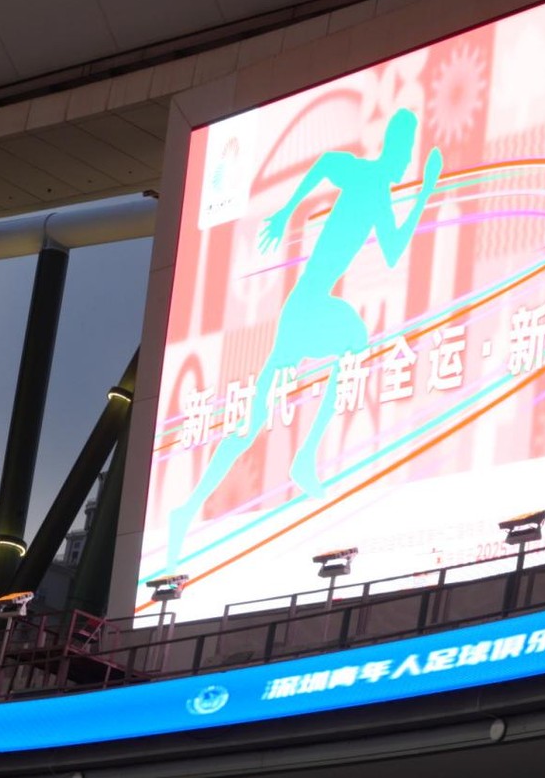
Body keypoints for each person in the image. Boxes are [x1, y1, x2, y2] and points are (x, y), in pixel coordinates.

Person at [165, 108, 442, 570]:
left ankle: (189, 509)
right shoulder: (367, 177)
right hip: (307, 305)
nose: (407, 160)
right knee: (348, 346)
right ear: (395, 148)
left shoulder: (375, 191)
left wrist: (426, 189)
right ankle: (303, 458)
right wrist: (285, 212)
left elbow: (392, 249)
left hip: (304, 307)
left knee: (255, 420)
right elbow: (327, 164)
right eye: (405, 150)